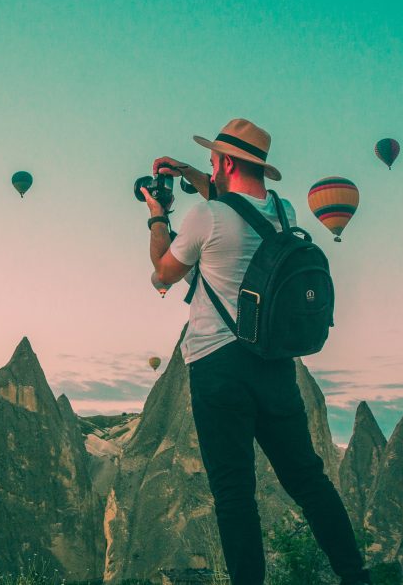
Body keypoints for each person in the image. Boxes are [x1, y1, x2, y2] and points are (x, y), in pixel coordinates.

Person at [141, 119, 372, 585]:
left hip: (217, 366)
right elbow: (234, 202)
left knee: (233, 494)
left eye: (211, 162)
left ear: (225, 162)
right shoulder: (284, 213)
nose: (209, 170)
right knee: (309, 480)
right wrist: (188, 171)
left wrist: (157, 216)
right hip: (274, 365)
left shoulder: (205, 218)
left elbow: (163, 274)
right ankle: (356, 577)